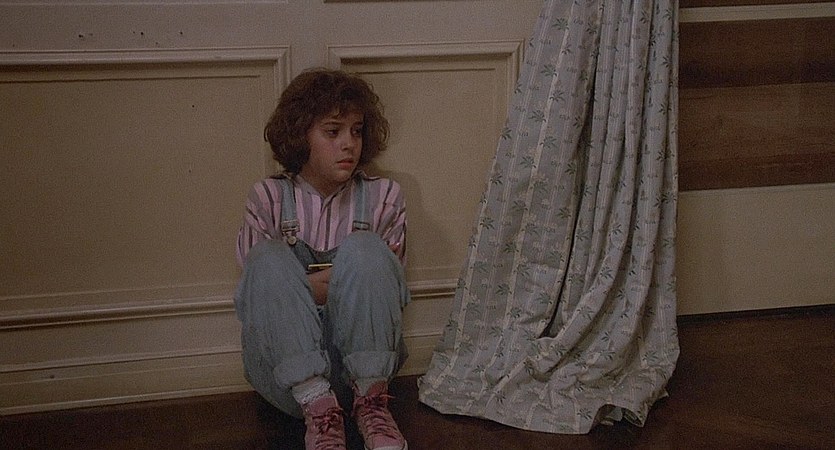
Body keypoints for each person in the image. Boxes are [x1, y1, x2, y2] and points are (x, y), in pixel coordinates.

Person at [234, 68, 410, 450]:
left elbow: (385, 290)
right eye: (333, 132)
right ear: (301, 135)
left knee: (366, 250)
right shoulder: (268, 197)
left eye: (356, 131)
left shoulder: (384, 197)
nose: (349, 144)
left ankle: (373, 407)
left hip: (361, 376)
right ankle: (319, 410)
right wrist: (343, 286)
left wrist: (302, 289)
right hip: (289, 384)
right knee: (268, 259)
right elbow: (261, 295)